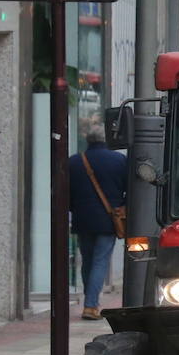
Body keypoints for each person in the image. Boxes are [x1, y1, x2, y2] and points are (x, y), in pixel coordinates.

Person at [68, 124, 127, 320]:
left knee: (88, 260)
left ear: (88, 140)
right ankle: (91, 305)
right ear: (107, 139)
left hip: (82, 219)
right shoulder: (119, 160)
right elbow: (132, 190)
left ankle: (90, 300)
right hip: (109, 219)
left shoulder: (74, 162)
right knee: (100, 261)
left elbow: (65, 193)